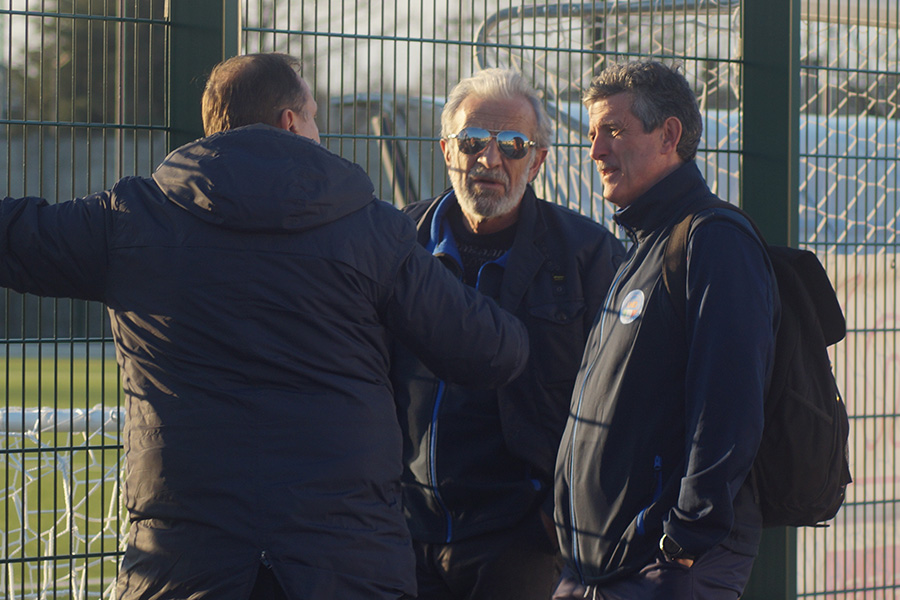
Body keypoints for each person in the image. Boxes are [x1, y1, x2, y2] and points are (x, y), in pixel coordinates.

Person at [0, 53, 530, 600]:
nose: (320, 132)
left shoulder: (130, 219)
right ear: (290, 122)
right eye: (315, 116)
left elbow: (16, 236)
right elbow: (491, 350)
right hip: (344, 564)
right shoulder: (370, 231)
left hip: (187, 564)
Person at [390, 68, 625, 600]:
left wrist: (554, 517)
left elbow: (619, 401)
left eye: (513, 146)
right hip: (403, 531)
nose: (489, 160)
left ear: (537, 162)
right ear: (447, 150)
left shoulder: (587, 256)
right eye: (473, 141)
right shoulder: (400, 244)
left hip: (521, 539)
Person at [553, 60, 780, 599]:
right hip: (596, 568)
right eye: (592, 134)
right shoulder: (642, 247)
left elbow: (729, 405)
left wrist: (683, 539)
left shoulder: (712, 241)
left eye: (613, 130)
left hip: (664, 568)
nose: (595, 151)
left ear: (669, 135)